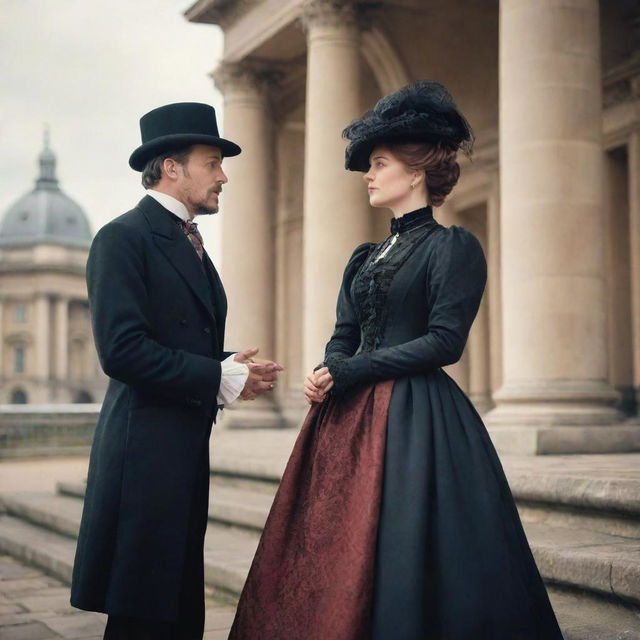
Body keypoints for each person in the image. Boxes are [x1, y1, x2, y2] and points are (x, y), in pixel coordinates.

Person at [228, 82, 564, 639]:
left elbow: (443, 342)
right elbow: (345, 332)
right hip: (345, 419)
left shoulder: (452, 246)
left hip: (419, 418)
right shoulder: (363, 255)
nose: (369, 173)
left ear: (416, 172)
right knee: (331, 542)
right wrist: (325, 370)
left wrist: (351, 369)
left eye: (379, 162)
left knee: (407, 536)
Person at [70, 102, 282, 639]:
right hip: (143, 457)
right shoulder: (122, 238)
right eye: (211, 162)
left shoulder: (191, 243)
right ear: (171, 167)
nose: (223, 175)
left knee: (179, 605)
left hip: (181, 450)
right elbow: (121, 352)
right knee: (144, 616)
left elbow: (177, 338)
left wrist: (226, 369)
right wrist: (215, 377)